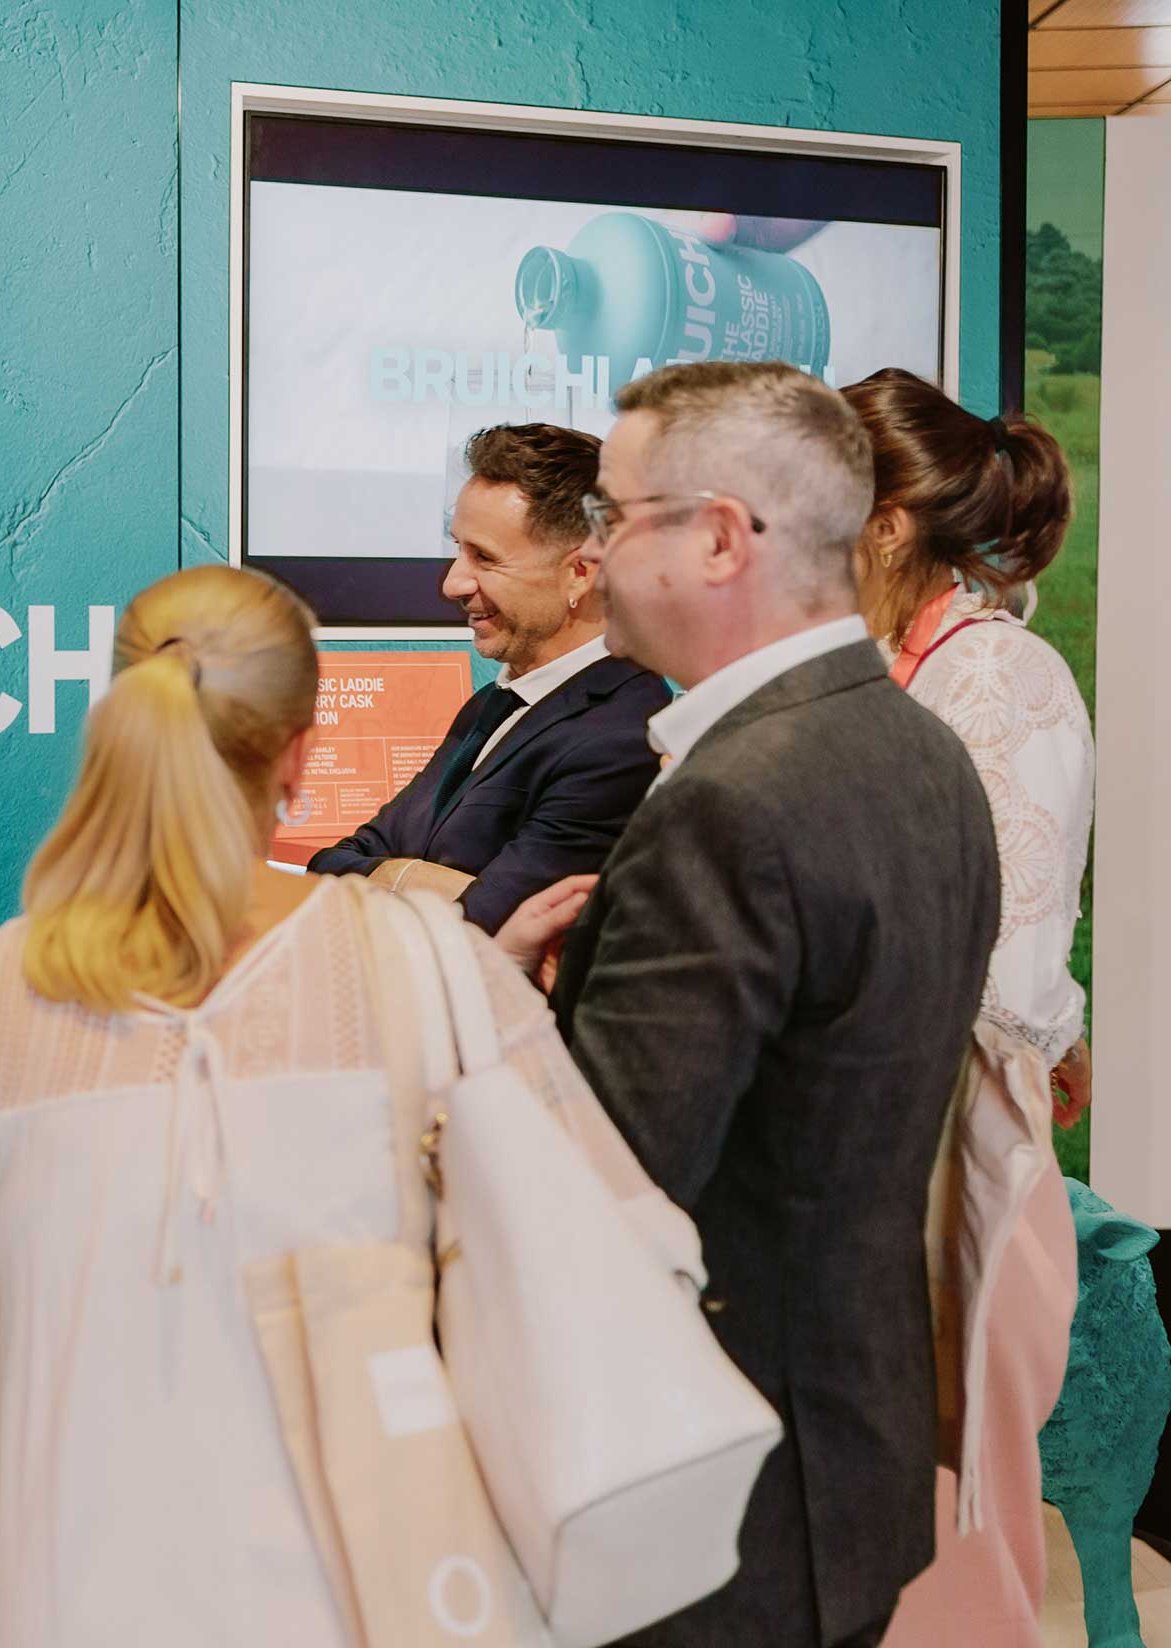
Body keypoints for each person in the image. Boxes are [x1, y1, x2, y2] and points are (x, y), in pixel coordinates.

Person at [0, 564, 611, 1647]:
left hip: (68, 1606)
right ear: (303, 752)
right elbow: (609, 1272)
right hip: (386, 1605)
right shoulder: (438, 976)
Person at [498, 360, 1002, 1648]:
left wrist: (496, 1016)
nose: (595, 552)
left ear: (721, 536)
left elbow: (608, 1180)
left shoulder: (732, 800)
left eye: (617, 514)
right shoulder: (920, 747)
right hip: (847, 1459)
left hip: (719, 1511)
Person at [841, 368, 1090, 1648]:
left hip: (959, 1154)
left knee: (955, 1536)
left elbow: (999, 961)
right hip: (882, 1150)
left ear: (884, 523)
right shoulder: (894, 673)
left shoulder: (1000, 678)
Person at [308, 423, 669, 933]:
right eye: (458, 549)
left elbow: (489, 925)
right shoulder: (490, 705)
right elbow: (338, 859)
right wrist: (414, 876)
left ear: (581, 573)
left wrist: (392, 877)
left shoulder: (622, 738)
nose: (453, 583)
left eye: (485, 558)